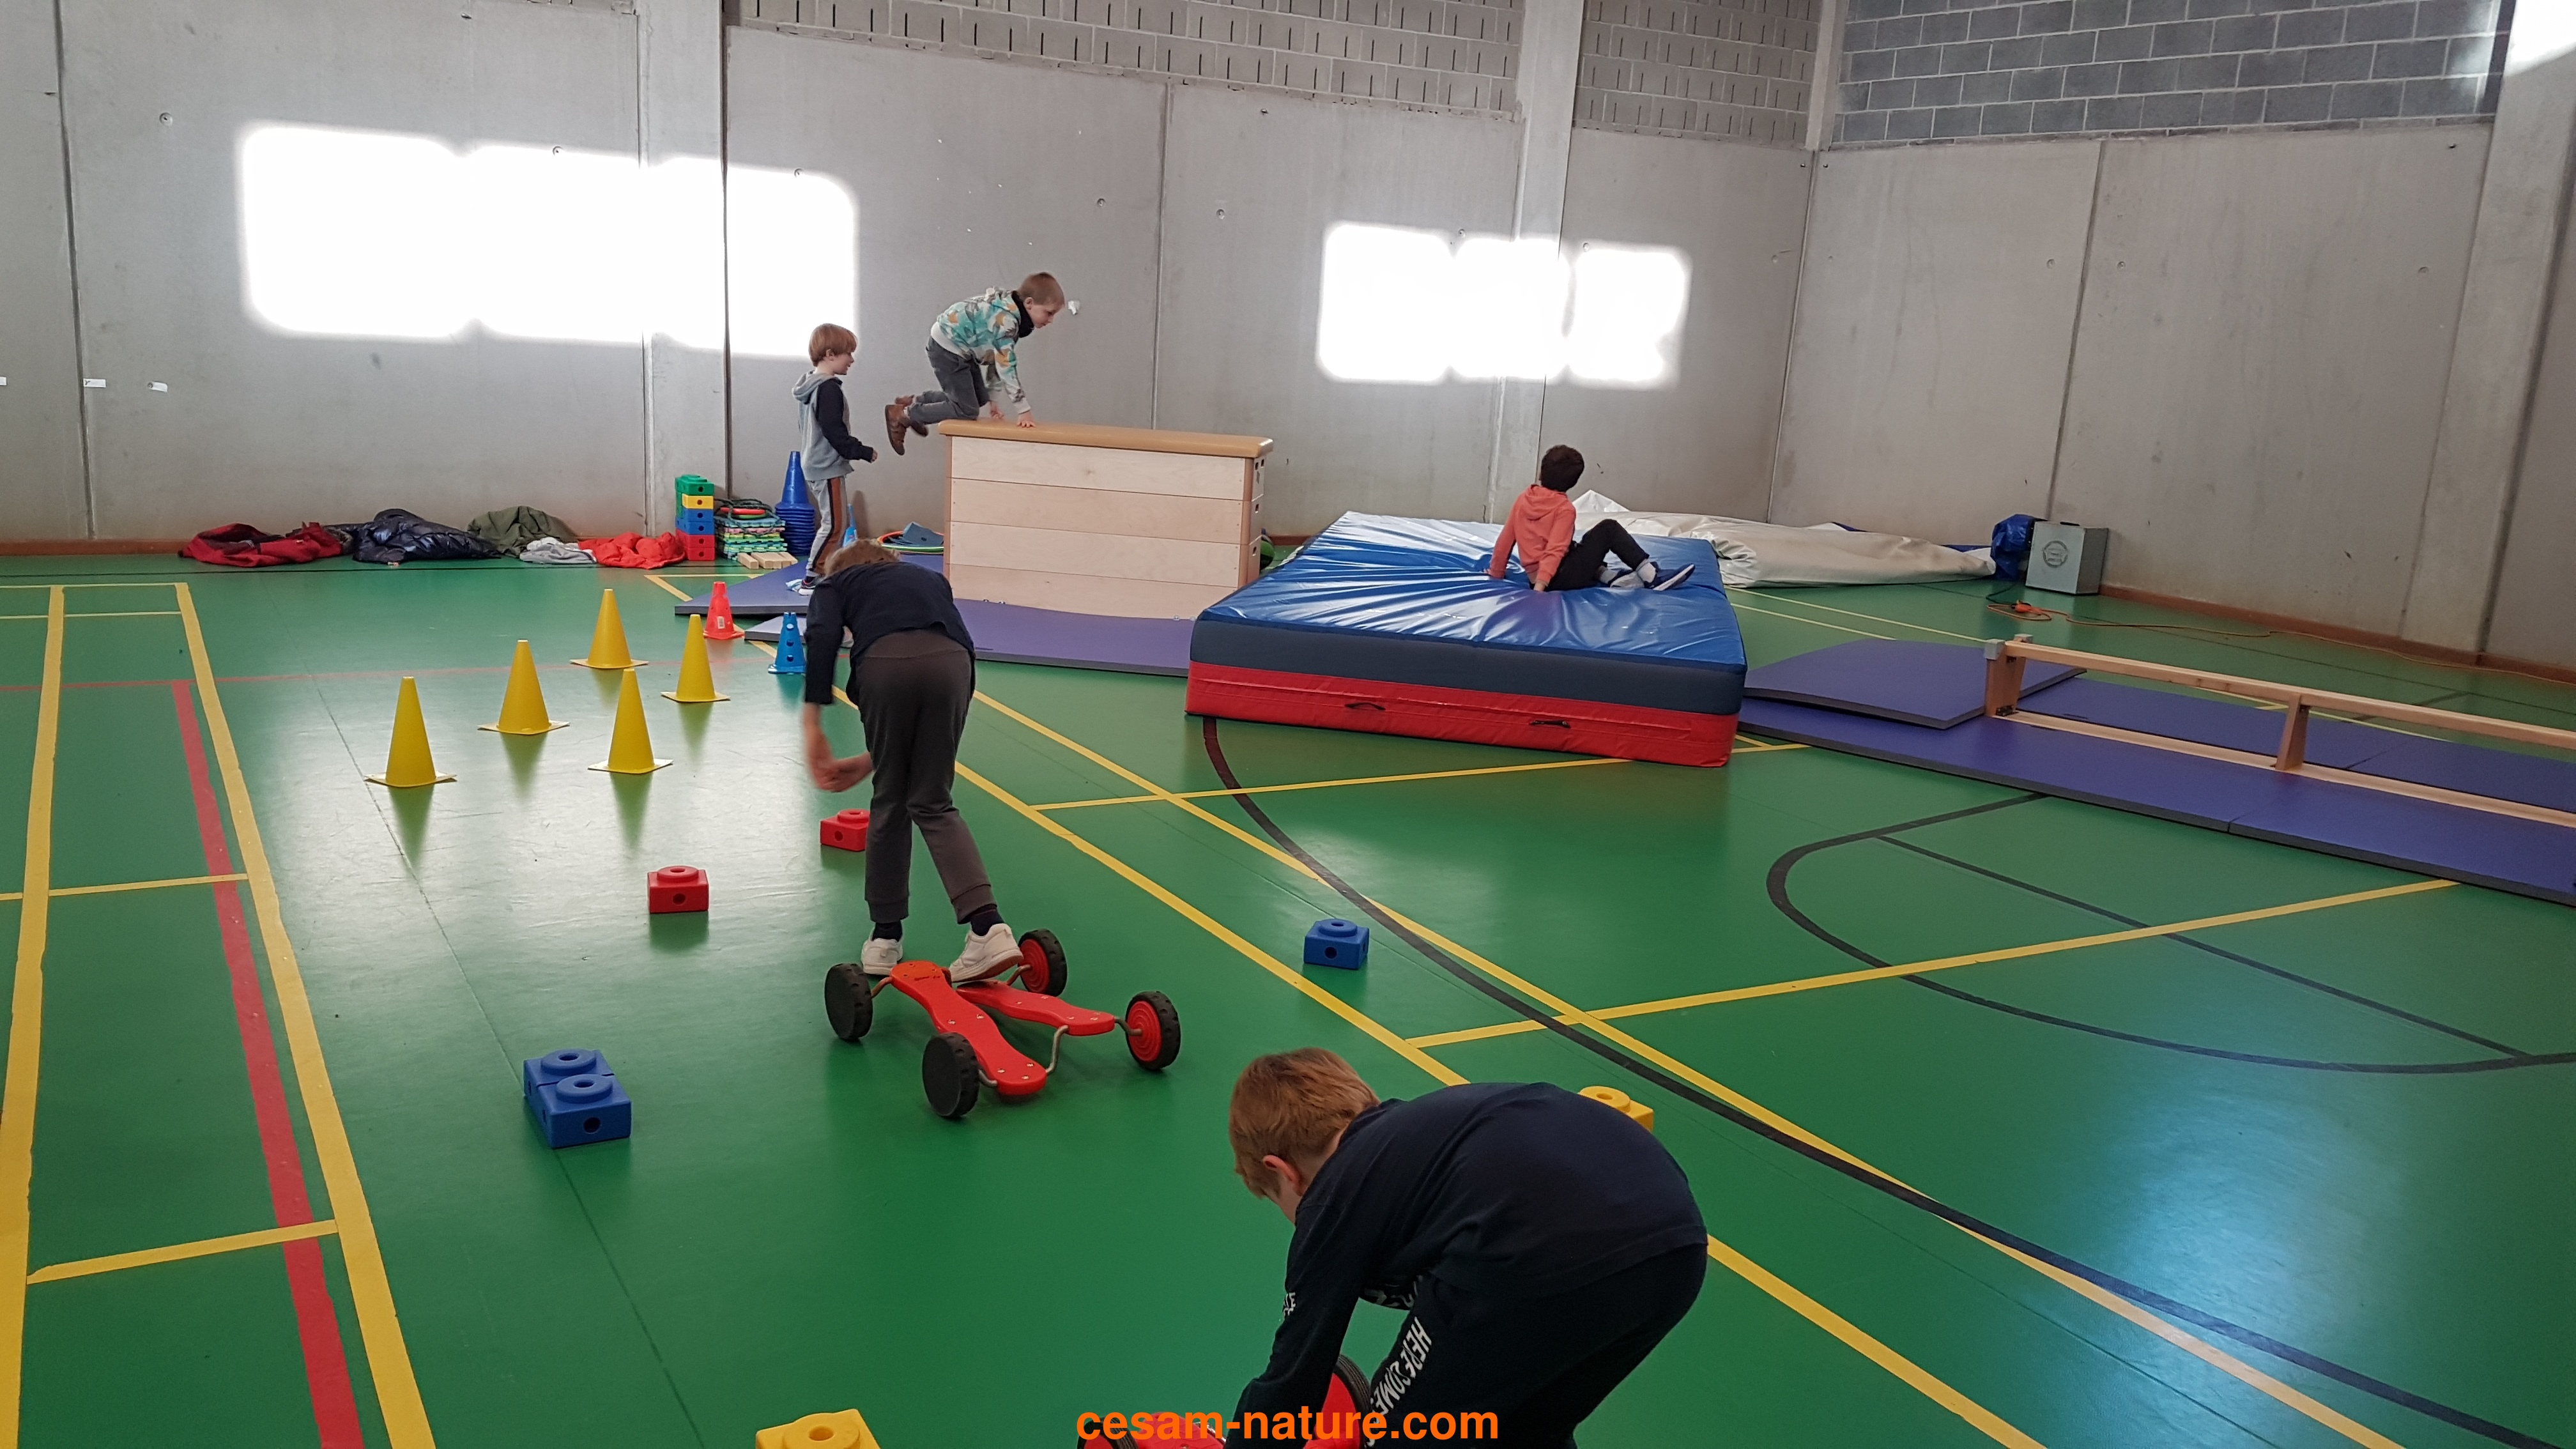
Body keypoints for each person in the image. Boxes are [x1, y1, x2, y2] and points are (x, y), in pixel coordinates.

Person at [1225, 1050, 1707, 1448]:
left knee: (1393, 1432)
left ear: (1282, 1171)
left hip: (1531, 1251)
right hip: (1674, 1243)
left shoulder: (1333, 1197)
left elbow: (1293, 1380)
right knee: (1528, 1427)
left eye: (1279, 1201)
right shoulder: (1423, 1134)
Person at [798, 537, 1022, 983]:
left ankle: (885, 937)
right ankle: (989, 929)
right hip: (954, 667)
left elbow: (823, 637)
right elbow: (943, 654)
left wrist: (812, 724)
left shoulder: (836, 584)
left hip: (884, 666)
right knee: (933, 801)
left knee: (891, 803)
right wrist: (873, 758)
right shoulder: (929, 579)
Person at [883, 273, 1067, 453]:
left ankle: (915, 402)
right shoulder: (1007, 321)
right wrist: (1023, 409)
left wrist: (993, 399)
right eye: (1049, 313)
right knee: (966, 410)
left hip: (960, 348)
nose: (1051, 320)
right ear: (1029, 303)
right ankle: (904, 415)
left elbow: (998, 358)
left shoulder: (1012, 313)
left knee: (980, 398)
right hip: (947, 347)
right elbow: (1006, 367)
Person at [1488, 446, 1694, 594]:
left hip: (1541, 577)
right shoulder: (1564, 509)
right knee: (1608, 529)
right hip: (1555, 579)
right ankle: (1651, 576)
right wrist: (1541, 588)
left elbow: (1506, 539)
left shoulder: (1524, 499)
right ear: (1573, 483)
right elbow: (1555, 551)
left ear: (1541, 472)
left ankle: (1608, 576)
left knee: (1580, 544)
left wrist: (1496, 572)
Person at [792, 323, 878, 574]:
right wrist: (861, 451)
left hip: (817, 462)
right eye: (848, 353)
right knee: (833, 525)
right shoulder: (828, 388)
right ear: (830, 355)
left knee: (837, 523)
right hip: (825, 465)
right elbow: (834, 431)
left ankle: (828, 572)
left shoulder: (810, 386)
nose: (852, 360)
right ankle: (814, 574)